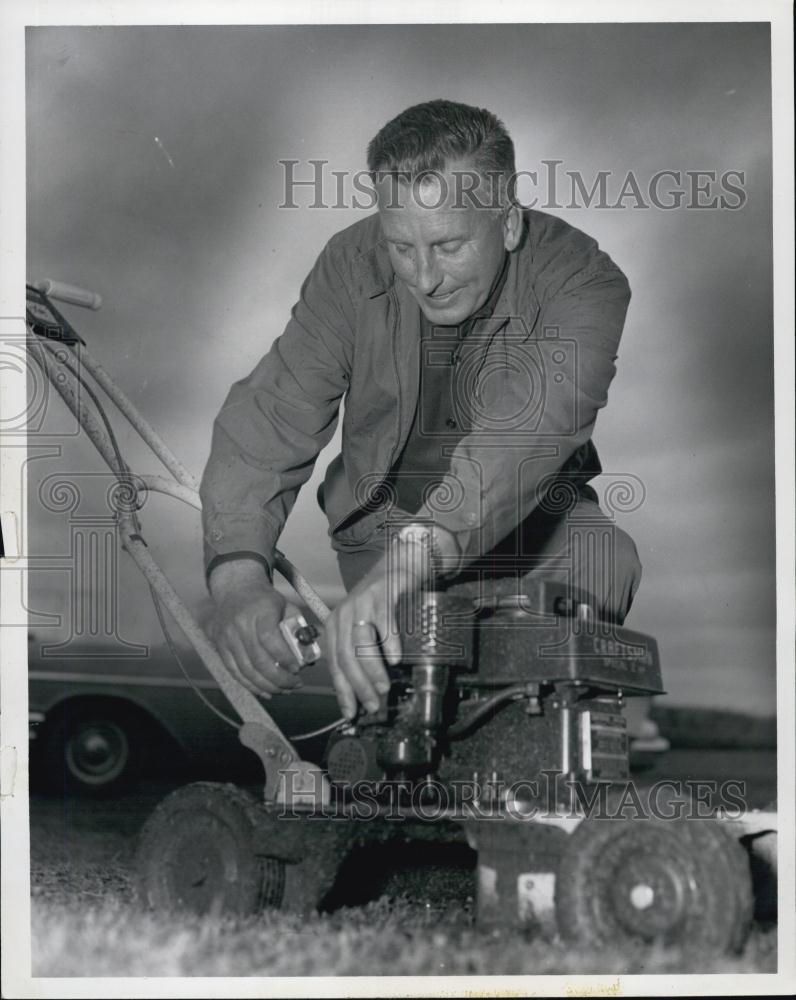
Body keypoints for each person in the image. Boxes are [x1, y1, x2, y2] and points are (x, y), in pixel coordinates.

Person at [200, 99, 659, 741]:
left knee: (603, 558)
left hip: (531, 528)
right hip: (381, 534)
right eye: (401, 248)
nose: (425, 277)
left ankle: (554, 742)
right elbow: (273, 413)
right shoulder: (348, 263)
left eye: (448, 245)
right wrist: (238, 580)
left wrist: (407, 568)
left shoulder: (585, 280)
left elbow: (526, 434)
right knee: (403, 730)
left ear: (507, 222)